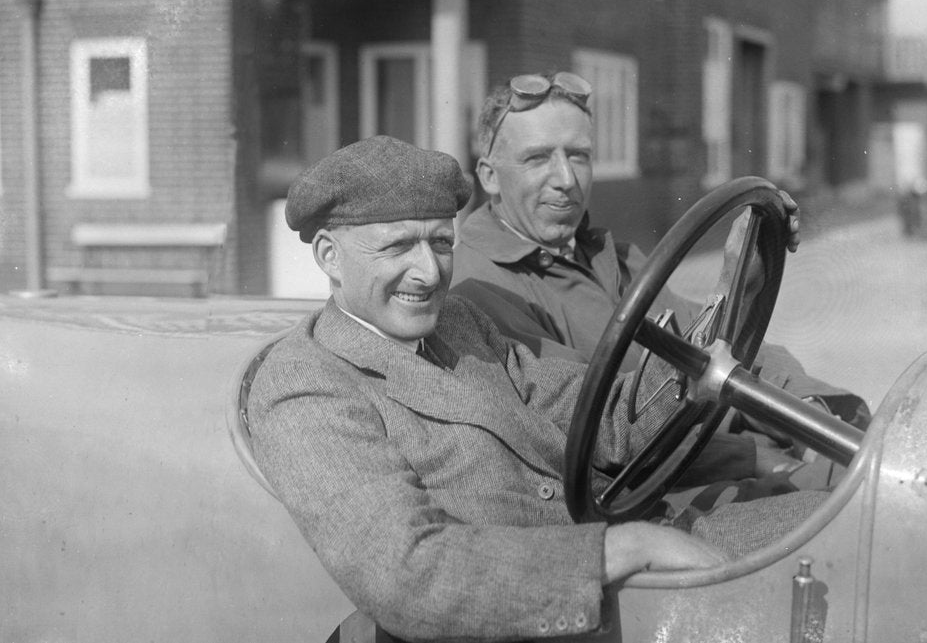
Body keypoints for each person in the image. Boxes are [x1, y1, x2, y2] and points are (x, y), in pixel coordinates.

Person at [247, 136, 824, 641]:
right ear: (330, 256)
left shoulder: (460, 325)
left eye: (441, 243)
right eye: (398, 247)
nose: (428, 272)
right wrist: (621, 550)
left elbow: (606, 424)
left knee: (846, 521)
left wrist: (733, 293)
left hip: (612, 569)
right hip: (539, 613)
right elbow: (408, 573)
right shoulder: (306, 385)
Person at [450, 71, 872, 449]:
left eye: (578, 155)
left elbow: (710, 342)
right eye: (537, 158)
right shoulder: (479, 288)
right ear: (489, 176)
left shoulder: (607, 256)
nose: (565, 180)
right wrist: (746, 459)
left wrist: (809, 406)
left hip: (705, 443)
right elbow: (599, 430)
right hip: (647, 497)